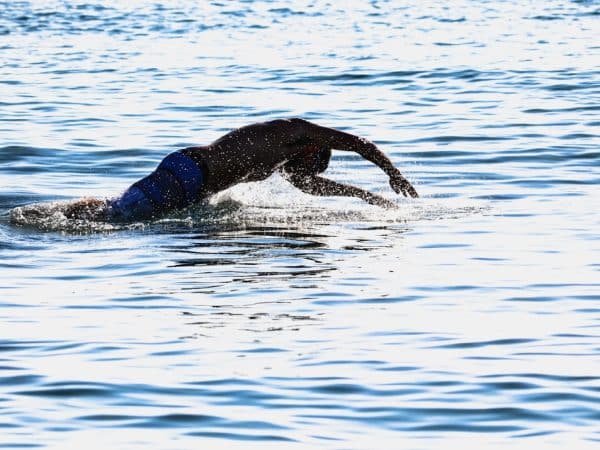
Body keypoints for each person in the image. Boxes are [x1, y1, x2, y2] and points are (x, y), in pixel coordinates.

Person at [65, 118, 418, 221]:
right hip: (192, 172)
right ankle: (46, 217)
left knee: (115, 212)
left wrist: (365, 196)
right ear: (315, 150)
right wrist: (393, 173)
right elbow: (359, 143)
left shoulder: (287, 160)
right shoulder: (296, 131)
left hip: (189, 173)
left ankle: (65, 212)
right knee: (116, 219)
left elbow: (311, 186)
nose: (300, 173)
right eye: (309, 165)